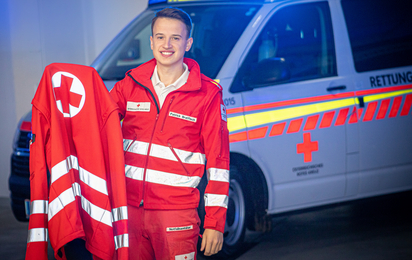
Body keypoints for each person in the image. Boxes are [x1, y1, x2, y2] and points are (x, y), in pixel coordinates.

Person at [110, 7, 230, 260]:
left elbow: (219, 163)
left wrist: (215, 223)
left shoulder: (207, 94)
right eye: (161, 37)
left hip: (176, 214)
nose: (167, 44)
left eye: (175, 38)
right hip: (128, 210)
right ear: (151, 42)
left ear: (188, 44)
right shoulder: (129, 85)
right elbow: (96, 125)